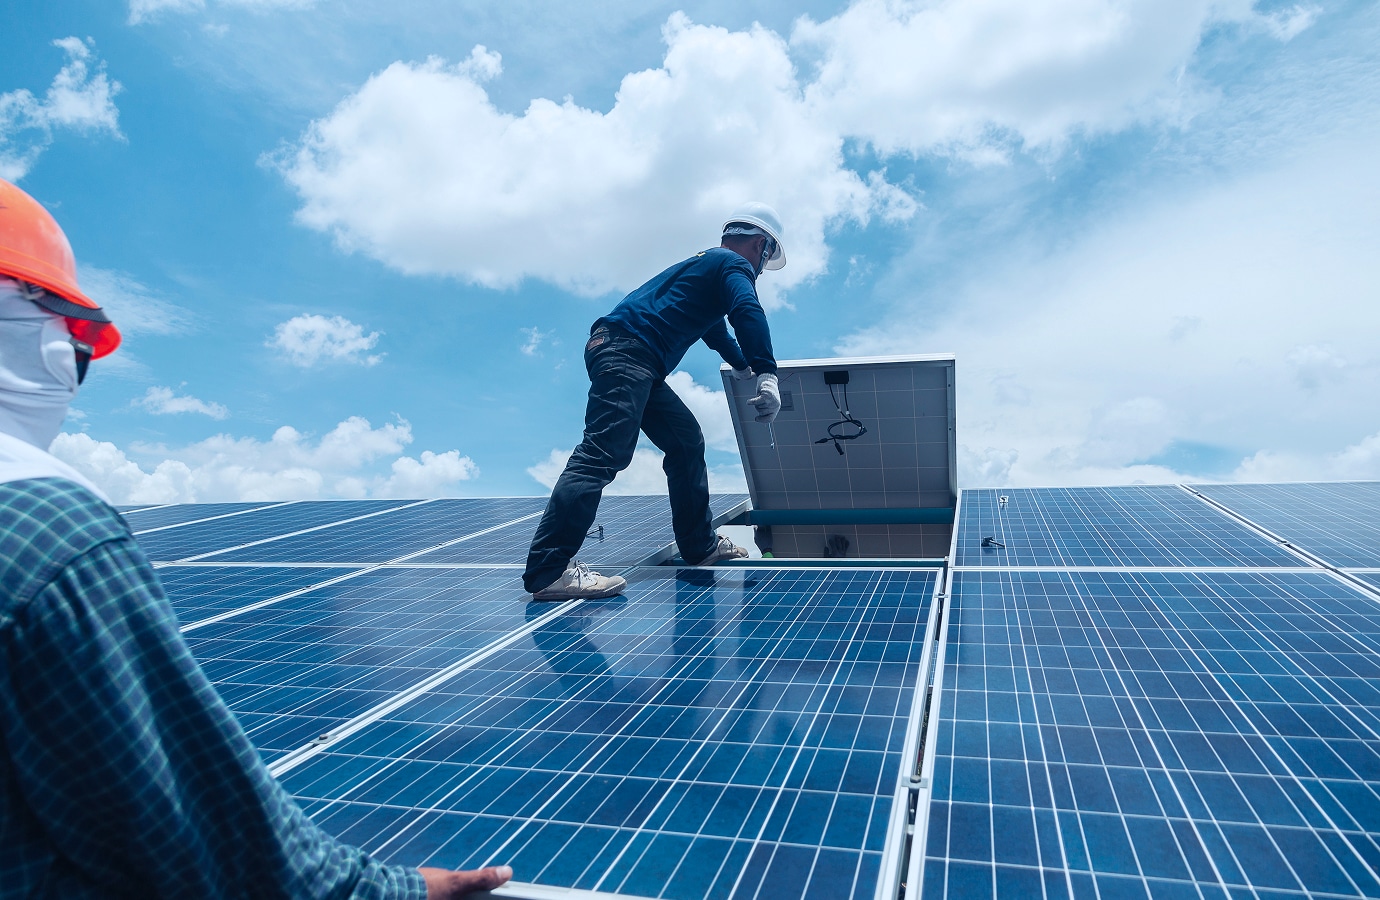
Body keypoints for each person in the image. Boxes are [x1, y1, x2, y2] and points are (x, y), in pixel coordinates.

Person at [0, 176, 510, 898]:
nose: (78, 362)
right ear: (36, 329)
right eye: (76, 336)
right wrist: (399, 889)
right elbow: (216, 855)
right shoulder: (53, 538)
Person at [523, 203, 786, 601]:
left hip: (628, 354)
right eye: (765, 258)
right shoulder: (732, 265)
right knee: (602, 453)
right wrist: (767, 373)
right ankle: (548, 570)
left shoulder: (704, 269)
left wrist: (744, 365)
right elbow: (746, 309)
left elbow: (715, 331)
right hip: (629, 353)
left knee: (685, 440)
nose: (761, 269)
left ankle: (699, 547)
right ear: (759, 244)